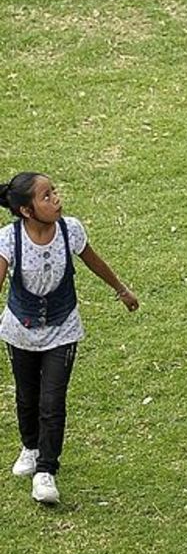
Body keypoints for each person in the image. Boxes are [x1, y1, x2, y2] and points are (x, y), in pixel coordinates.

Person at [0, 173, 138, 506]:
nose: (56, 199)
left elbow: (93, 261)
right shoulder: (9, 239)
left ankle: (46, 470)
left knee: (52, 400)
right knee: (26, 395)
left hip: (63, 328)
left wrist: (121, 290)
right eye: (46, 197)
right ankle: (30, 448)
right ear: (26, 211)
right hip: (21, 329)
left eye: (54, 192)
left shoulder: (69, 230)